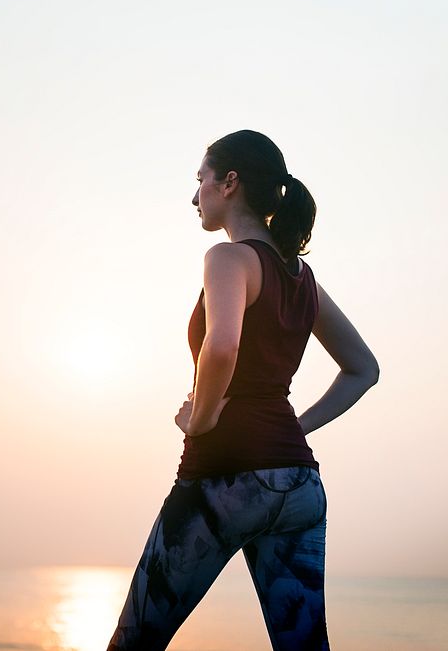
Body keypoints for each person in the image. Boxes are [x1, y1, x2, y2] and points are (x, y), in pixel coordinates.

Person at [106, 130, 380, 651]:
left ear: (230, 183)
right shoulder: (302, 279)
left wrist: (203, 419)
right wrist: (294, 429)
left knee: (134, 641)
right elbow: (363, 369)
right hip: (298, 484)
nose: (194, 197)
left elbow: (223, 347)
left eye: (201, 180)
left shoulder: (227, 259)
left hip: (223, 481)